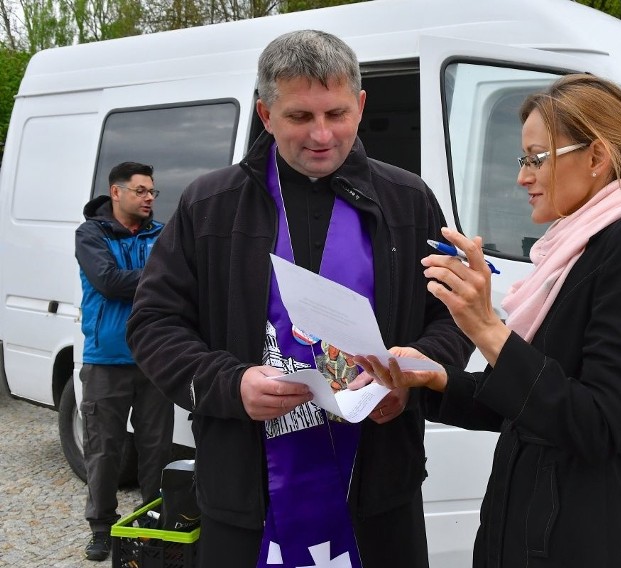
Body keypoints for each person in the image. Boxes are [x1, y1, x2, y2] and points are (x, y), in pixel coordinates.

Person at [126, 30, 472, 568]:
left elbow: (450, 318)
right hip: (245, 492)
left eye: (336, 113)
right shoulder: (211, 205)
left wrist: (413, 378)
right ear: (265, 114)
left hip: (378, 487)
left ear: (360, 105)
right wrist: (229, 383)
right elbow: (153, 323)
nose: (321, 135)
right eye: (299, 117)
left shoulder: (408, 199)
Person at [354, 75, 621, 567]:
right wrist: (431, 379)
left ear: (596, 157)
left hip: (584, 537)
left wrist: (485, 327)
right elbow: (515, 403)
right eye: (522, 160)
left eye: (537, 158)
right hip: (529, 525)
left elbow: (600, 423)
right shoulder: (573, 248)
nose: (522, 177)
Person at [75, 162, 174, 562]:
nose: (149, 198)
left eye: (153, 191)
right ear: (117, 193)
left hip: (155, 358)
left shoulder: (162, 234)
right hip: (106, 361)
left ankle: (151, 521)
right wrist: (157, 275)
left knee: (156, 449)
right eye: (141, 191)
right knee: (104, 450)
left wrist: (154, 276)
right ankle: (100, 528)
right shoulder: (90, 234)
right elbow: (108, 281)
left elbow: (183, 280)